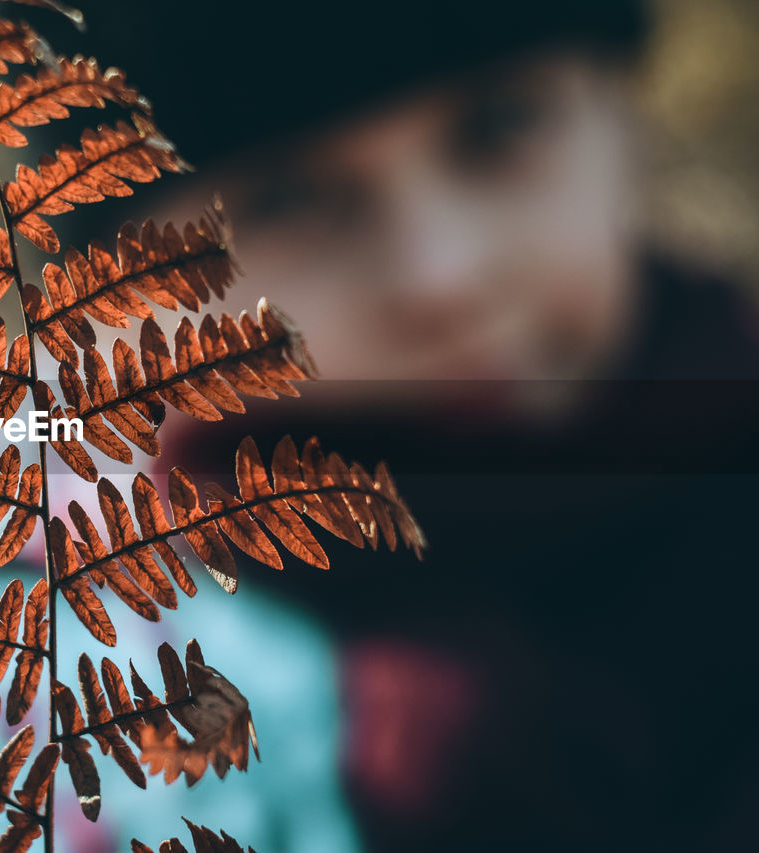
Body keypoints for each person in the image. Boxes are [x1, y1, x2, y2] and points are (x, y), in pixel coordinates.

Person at [57, 0, 759, 850]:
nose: (443, 275)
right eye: (287, 197)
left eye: (497, 126)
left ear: (622, 112)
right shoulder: (40, 701)